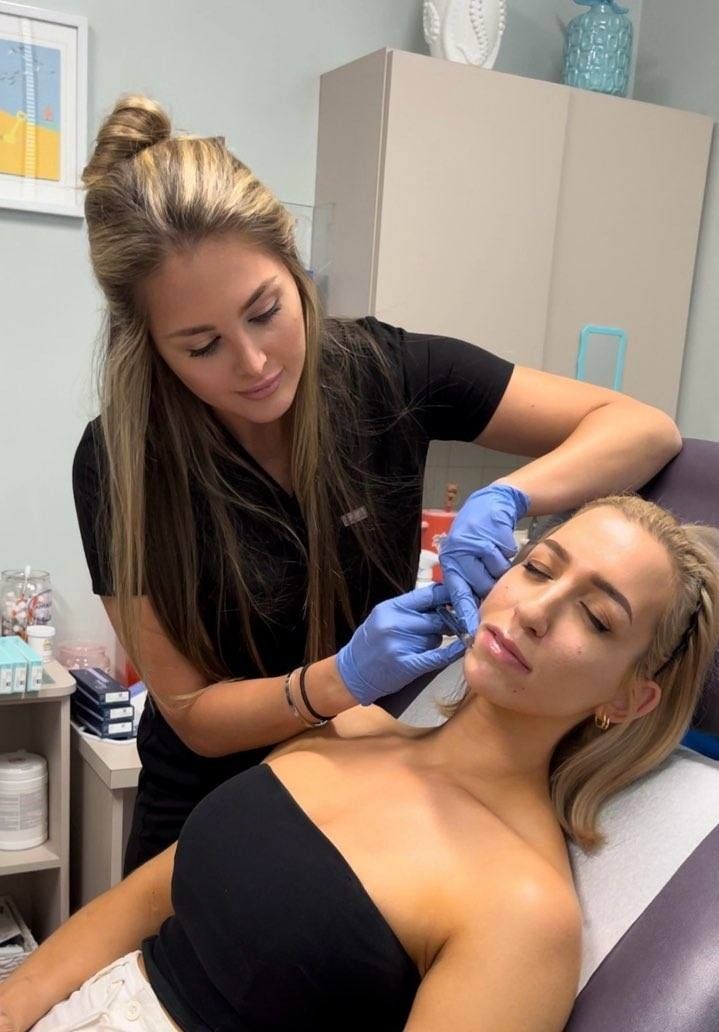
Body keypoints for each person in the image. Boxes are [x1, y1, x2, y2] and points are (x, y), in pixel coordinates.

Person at [72, 94, 682, 873]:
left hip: (362, 777)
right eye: (202, 346)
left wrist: (509, 496)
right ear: (150, 346)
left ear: (295, 271)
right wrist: (339, 679)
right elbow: (191, 714)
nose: (254, 364)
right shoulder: (121, 462)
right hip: (204, 805)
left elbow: (643, 427)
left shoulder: (385, 373)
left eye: (265, 312)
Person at [2, 496, 718, 1032]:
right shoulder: (350, 726)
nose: (536, 609)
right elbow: (143, 903)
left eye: (595, 619)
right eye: (537, 567)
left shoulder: (521, 912)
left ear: (626, 700)